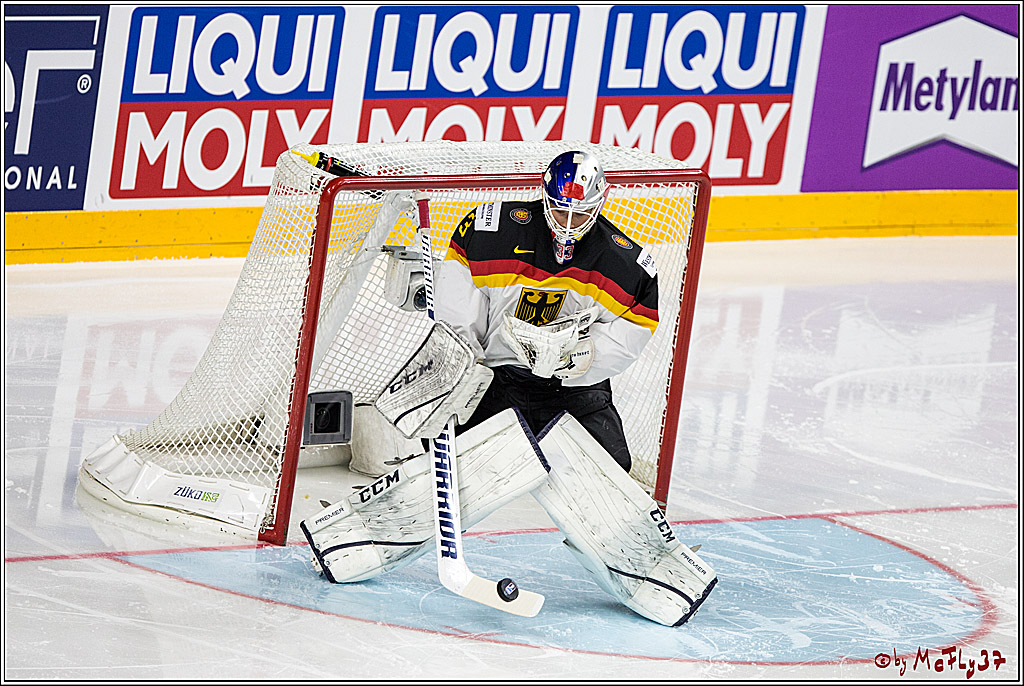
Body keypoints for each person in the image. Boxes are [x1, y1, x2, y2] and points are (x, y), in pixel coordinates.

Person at [434, 150, 659, 473]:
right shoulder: (490, 232)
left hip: (572, 389)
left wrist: (585, 356)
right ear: (543, 194)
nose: (567, 224)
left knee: (613, 471)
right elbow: (458, 307)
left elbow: (638, 324)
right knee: (447, 460)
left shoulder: (623, 263)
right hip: (500, 381)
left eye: (579, 214)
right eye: (559, 209)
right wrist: (465, 363)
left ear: (598, 204)